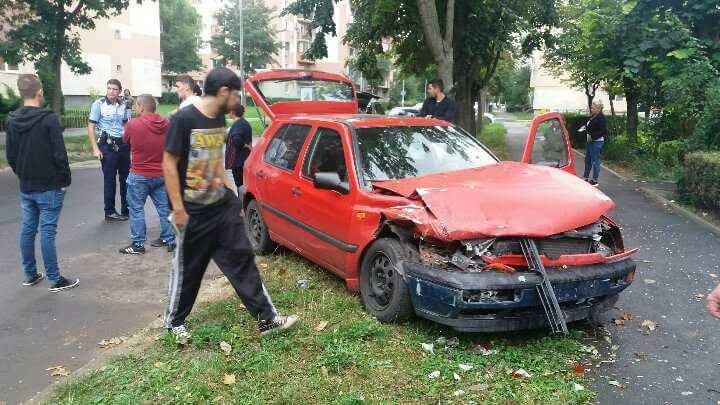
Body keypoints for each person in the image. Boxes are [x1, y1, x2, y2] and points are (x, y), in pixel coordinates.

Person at [163, 67, 299, 337]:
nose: (238, 101)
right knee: (189, 269)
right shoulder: (183, 119)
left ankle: (267, 319)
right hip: (193, 211)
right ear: (224, 92)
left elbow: (214, 160)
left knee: (242, 259)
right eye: (236, 95)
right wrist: (178, 209)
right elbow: (169, 163)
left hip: (221, 206)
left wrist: (231, 197)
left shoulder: (218, 119)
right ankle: (174, 322)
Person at [5, 74, 79, 292]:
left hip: (27, 185)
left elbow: (11, 155)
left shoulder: (12, 120)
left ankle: (30, 275)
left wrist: (22, 174)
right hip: (49, 185)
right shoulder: (49, 119)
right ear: (40, 92)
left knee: (28, 230)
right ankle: (55, 279)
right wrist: (65, 180)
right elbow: (59, 153)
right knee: (47, 231)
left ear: (21, 93)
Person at [119, 94, 176, 255]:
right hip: (161, 173)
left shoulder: (133, 124)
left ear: (141, 107)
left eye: (137, 106)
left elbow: (125, 141)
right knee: (164, 208)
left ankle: (138, 244)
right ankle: (169, 239)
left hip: (139, 174)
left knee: (136, 209)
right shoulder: (166, 123)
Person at [88, 79, 133, 221]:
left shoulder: (124, 104)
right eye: (109, 88)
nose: (111, 92)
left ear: (120, 91)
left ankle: (126, 209)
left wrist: (129, 142)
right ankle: (110, 212)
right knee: (110, 179)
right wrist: (95, 148)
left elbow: (126, 124)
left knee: (126, 178)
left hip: (123, 144)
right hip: (107, 144)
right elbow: (91, 127)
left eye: (115, 89)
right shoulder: (98, 104)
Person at [580, 101, 609, 186]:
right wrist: (584, 128)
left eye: (593, 108)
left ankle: (595, 180)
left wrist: (592, 136)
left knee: (595, 161)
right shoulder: (593, 116)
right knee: (587, 160)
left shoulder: (602, 118)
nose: (591, 109)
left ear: (598, 109)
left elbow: (603, 131)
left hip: (597, 142)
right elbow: (590, 127)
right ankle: (585, 177)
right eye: (591, 107)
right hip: (590, 142)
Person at [225, 104, 252, 192]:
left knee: (240, 183)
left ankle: (241, 200)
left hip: (239, 160)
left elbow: (236, 140)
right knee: (241, 183)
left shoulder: (239, 124)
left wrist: (246, 145)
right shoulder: (241, 123)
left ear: (233, 112)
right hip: (241, 159)